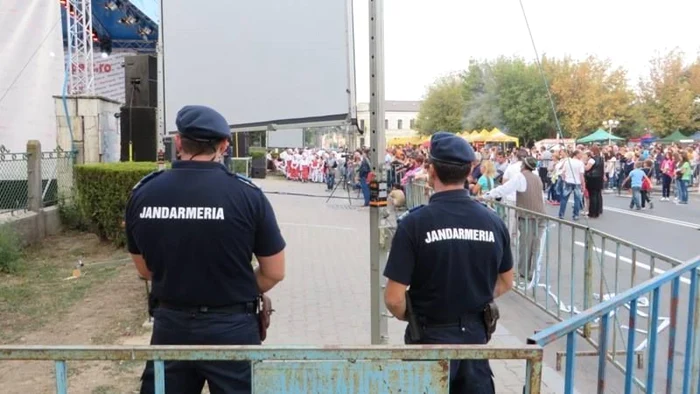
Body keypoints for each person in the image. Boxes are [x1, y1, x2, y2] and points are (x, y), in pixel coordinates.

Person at [125, 105, 286, 393]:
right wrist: (233, 286)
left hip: (170, 327)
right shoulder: (248, 196)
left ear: (177, 142)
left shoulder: (144, 193)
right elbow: (274, 272)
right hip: (233, 329)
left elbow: (144, 270)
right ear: (224, 146)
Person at [383, 132, 514, 394]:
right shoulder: (493, 222)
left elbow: (394, 298)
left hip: (428, 344)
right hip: (475, 345)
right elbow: (506, 281)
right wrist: (473, 298)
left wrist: (419, 315)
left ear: (431, 171)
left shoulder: (414, 224)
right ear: (469, 171)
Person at [482, 156, 545, 281]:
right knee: (536, 244)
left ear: (523, 166)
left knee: (526, 244)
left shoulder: (520, 177)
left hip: (528, 215)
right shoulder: (537, 178)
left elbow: (504, 189)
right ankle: (532, 272)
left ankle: (523, 271)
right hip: (540, 214)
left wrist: (487, 195)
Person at [558, 150, 585, 221]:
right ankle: (575, 215)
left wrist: (564, 179)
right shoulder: (580, 163)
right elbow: (581, 175)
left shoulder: (567, 162)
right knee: (577, 199)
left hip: (568, 181)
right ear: (576, 154)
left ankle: (561, 214)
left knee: (564, 199)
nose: (582, 156)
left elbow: (563, 172)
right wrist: (583, 185)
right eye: (581, 154)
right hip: (577, 182)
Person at [584, 144, 605, 218]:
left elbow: (587, 168)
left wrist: (583, 164)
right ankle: (598, 211)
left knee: (592, 196)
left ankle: (592, 212)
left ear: (593, 151)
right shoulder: (601, 158)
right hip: (599, 178)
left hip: (592, 178)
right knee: (598, 195)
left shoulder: (592, 159)